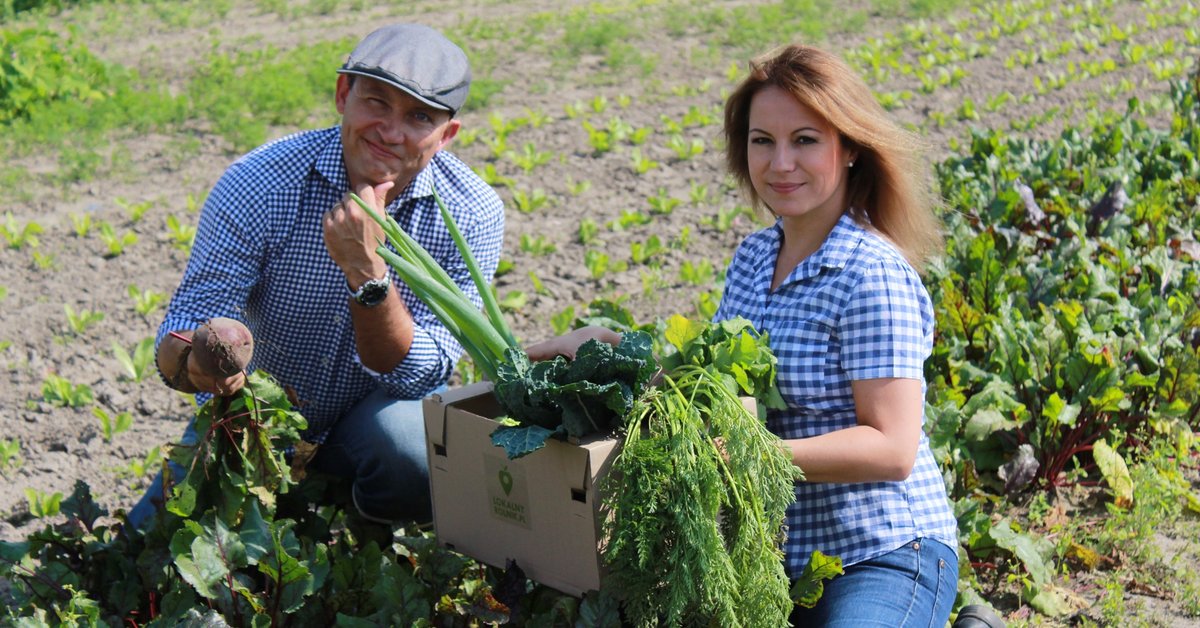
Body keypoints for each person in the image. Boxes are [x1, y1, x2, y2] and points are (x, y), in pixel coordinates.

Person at [528, 44, 965, 627]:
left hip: (880, 552)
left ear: (851, 148)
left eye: (805, 140)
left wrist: (749, 456)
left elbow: (890, 448)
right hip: (771, 558)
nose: (780, 162)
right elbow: (715, 391)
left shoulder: (870, 273)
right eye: (763, 141)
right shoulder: (756, 257)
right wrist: (613, 353)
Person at [133, 23, 505, 529]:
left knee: (410, 451)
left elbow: (422, 372)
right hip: (254, 420)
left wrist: (367, 275)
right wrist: (197, 360)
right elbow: (187, 322)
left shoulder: (471, 212)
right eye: (376, 102)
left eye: (418, 116)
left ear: (446, 135)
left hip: (370, 425)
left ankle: (366, 531)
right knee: (145, 547)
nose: (391, 131)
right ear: (342, 95)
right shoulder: (260, 181)